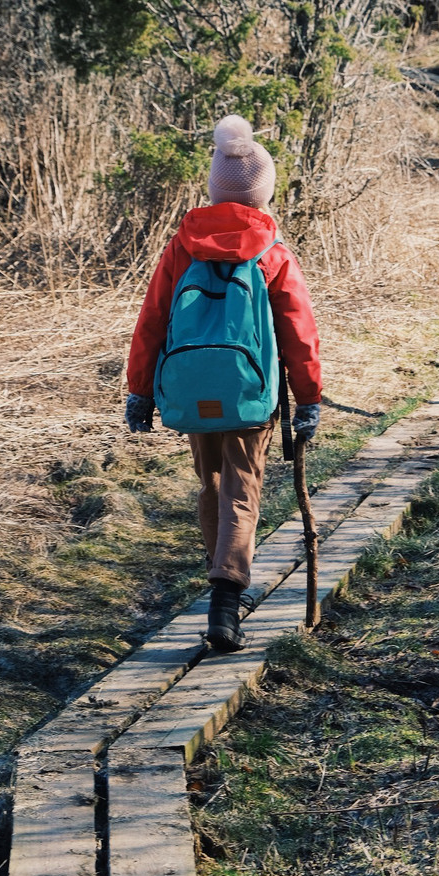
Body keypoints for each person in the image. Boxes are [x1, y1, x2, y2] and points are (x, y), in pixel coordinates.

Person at [124, 115, 322, 652]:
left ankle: (220, 584)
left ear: (215, 187)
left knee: (211, 483)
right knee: (243, 486)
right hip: (250, 394)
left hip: (191, 390)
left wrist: (140, 391)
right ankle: (226, 598)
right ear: (264, 193)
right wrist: (308, 400)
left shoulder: (182, 246)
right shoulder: (272, 251)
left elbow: (152, 320)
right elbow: (299, 332)